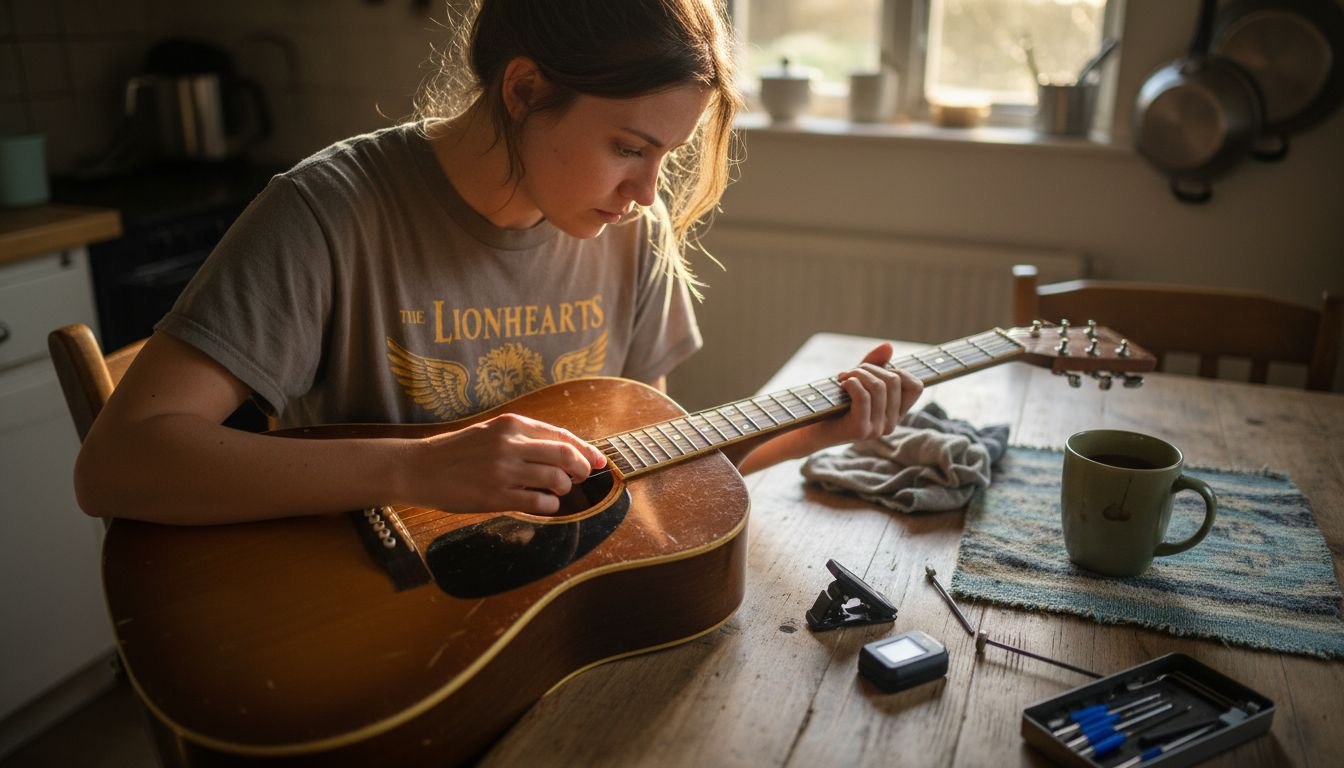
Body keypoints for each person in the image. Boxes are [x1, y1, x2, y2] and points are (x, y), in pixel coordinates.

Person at [74, 0, 923, 526]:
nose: (646, 191)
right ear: (523, 91)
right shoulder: (328, 211)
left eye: (667, 155)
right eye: (629, 147)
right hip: (386, 618)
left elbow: (642, 472)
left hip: (535, 615)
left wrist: (810, 434)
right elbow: (118, 466)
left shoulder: (631, 228)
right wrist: (419, 464)